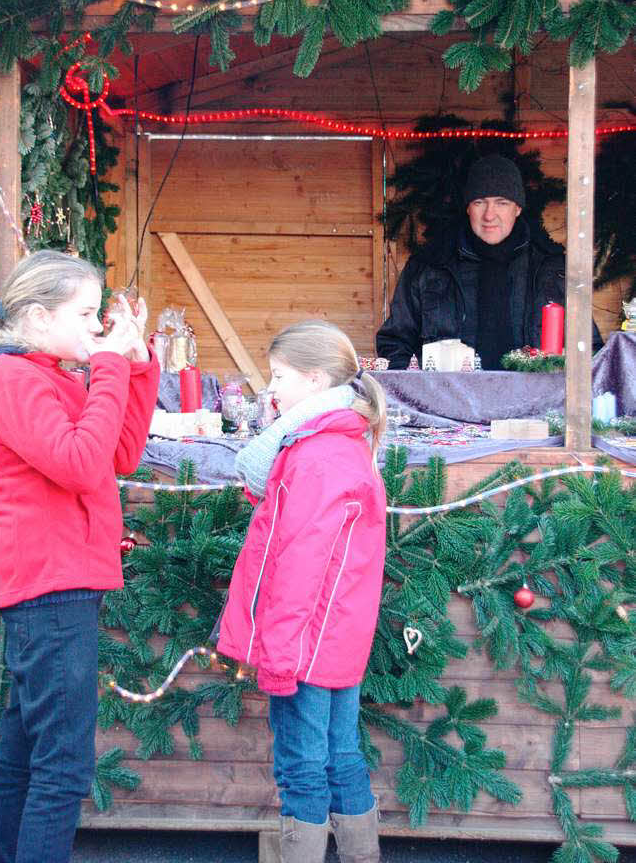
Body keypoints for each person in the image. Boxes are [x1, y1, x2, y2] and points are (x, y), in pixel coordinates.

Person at [0, 250, 160, 863]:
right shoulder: (12, 381)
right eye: (87, 314)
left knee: (23, 756)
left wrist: (136, 367)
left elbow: (119, 452)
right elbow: (77, 464)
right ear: (39, 318)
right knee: (62, 768)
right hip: (50, 585)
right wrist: (105, 367)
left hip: (56, 582)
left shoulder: (46, 373)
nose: (97, 327)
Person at [217, 320, 387, 863]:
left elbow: (297, 570)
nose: (272, 389)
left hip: (306, 645)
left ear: (315, 381)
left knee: (301, 768)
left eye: (280, 377)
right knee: (340, 756)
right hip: (335, 640)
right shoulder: (334, 444)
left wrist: (279, 656)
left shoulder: (316, 457)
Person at [376, 153, 603, 370]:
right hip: (447, 406)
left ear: (518, 208)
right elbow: (395, 343)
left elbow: (589, 348)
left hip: (536, 406)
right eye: (479, 202)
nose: (489, 215)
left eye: (502, 203)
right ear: (468, 207)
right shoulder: (429, 266)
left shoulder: (553, 269)